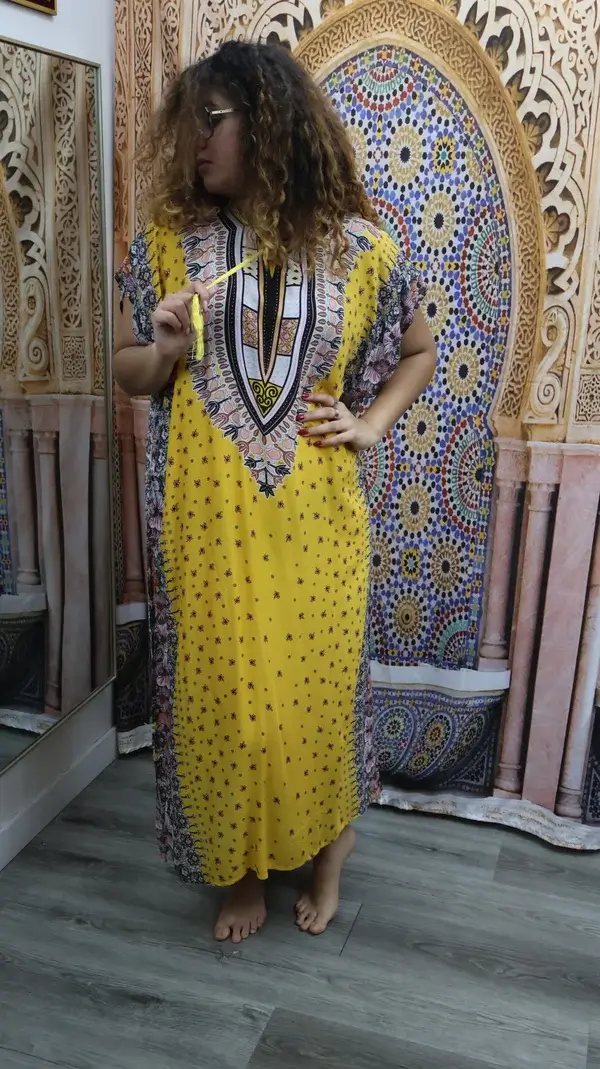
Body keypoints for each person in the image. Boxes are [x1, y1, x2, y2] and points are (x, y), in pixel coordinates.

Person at [114, 40, 436, 944]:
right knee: (228, 706)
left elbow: (419, 351)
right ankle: (244, 868)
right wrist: (166, 349)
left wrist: (368, 424)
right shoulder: (167, 244)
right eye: (187, 126)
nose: (194, 144)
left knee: (313, 703)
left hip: (317, 529)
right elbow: (129, 370)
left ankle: (328, 857)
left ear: (265, 126)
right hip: (206, 525)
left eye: (209, 123)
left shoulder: (360, 249)